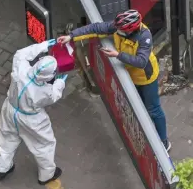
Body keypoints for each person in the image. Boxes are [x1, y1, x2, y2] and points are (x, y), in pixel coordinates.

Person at [57, 9, 171, 151]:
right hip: (130, 76)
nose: (116, 31)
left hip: (146, 78)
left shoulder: (144, 36)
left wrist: (118, 55)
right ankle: (145, 133)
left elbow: (141, 61)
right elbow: (96, 28)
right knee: (138, 107)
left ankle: (163, 141)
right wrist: (72, 36)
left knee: (154, 109)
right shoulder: (119, 27)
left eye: (120, 30)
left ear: (131, 30)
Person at [0, 39, 68, 184]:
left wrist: (43, 45)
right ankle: (47, 175)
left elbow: (21, 54)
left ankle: (3, 167)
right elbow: (54, 96)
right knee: (43, 145)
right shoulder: (44, 91)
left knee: (6, 138)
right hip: (31, 119)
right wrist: (60, 83)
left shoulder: (21, 68)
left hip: (10, 109)